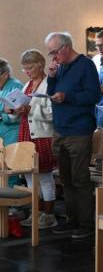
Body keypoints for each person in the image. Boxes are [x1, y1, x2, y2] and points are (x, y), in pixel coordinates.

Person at [45, 32, 101, 238]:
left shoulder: (85, 65)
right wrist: (51, 78)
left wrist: (67, 96)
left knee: (79, 179)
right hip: (60, 128)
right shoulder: (60, 67)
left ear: (65, 48)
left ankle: (86, 224)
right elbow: (52, 94)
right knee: (65, 179)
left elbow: (94, 95)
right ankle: (71, 219)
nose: (52, 57)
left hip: (79, 129)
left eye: (54, 52)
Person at [15, 50, 58, 229]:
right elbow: (24, 105)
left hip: (42, 134)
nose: (27, 72)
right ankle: (37, 212)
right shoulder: (28, 85)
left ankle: (49, 215)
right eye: (25, 69)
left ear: (40, 65)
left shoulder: (49, 84)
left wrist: (30, 110)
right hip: (26, 132)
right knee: (29, 176)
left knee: (45, 176)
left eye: (30, 68)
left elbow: (53, 112)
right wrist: (15, 109)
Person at [0, 58, 23, 187]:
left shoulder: (16, 86)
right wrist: (4, 110)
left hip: (12, 131)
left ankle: (13, 203)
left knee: (10, 165)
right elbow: (6, 109)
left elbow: (16, 113)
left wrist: (3, 115)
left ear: (6, 74)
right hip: (1, 132)